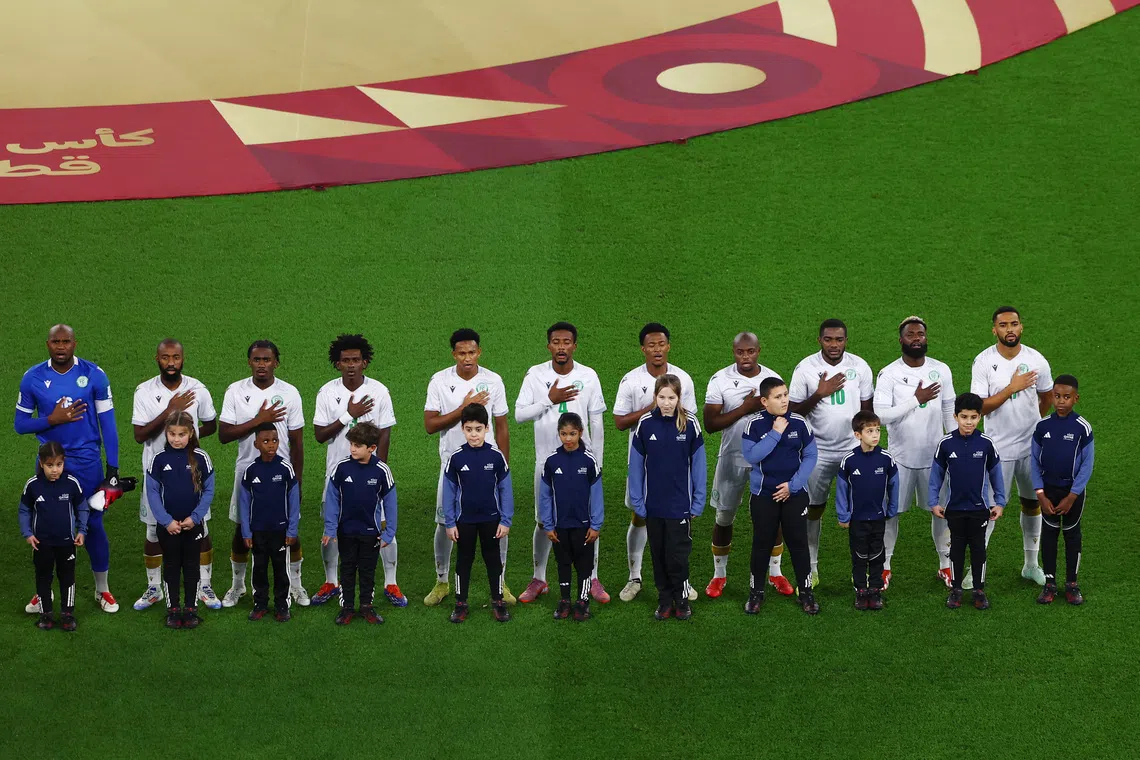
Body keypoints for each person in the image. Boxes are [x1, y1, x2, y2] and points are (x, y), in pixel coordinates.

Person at [15, 324, 128, 614]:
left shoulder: (94, 375)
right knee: (46, 524)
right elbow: (20, 424)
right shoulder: (32, 378)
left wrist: (112, 468)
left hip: (86, 461)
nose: (61, 346)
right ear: (48, 344)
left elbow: (108, 424)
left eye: (66, 341)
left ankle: (102, 590)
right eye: (56, 341)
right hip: (49, 462)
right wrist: (52, 420)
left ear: (75, 343)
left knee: (93, 524)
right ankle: (43, 592)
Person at [516, 322, 607, 604]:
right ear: (549, 346)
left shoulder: (588, 376)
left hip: (582, 464)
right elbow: (519, 415)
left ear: (574, 346)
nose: (561, 347)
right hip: (546, 464)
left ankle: (592, 578)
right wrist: (548, 399)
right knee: (543, 520)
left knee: (588, 519)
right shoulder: (535, 375)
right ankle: (539, 578)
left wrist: (597, 461)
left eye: (566, 342)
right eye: (556, 342)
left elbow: (596, 421)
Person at [423, 328, 511, 606]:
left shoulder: (493, 380)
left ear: (479, 352)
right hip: (452, 466)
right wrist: (465, 408)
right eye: (461, 353)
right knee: (443, 523)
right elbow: (430, 425)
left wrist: (504, 466)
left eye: (472, 352)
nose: (467, 358)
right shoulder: (439, 381)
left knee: (497, 522)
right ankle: (441, 581)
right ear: (454, 354)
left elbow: (501, 426)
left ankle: (501, 581)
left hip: (488, 466)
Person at [130, 338, 220, 611]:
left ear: (183, 358)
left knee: (201, 529)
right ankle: (154, 588)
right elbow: (139, 435)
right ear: (157, 359)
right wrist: (170, 410)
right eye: (165, 357)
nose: (171, 363)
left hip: (191, 472)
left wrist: (188, 439)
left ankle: (205, 585)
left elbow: (211, 424)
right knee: (153, 531)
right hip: (157, 475)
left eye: (176, 357)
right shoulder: (144, 391)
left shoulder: (198, 389)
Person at [703, 332, 794, 599]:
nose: (745, 357)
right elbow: (710, 424)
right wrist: (746, 408)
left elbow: (785, 416)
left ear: (758, 351)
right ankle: (719, 575)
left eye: (750, 351)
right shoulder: (720, 379)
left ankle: (775, 573)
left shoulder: (772, 379)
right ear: (733, 351)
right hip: (732, 458)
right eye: (740, 352)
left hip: (768, 461)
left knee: (773, 517)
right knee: (724, 517)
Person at [312, 334, 401, 607]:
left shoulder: (379, 391)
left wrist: (377, 469)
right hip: (337, 475)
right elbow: (320, 435)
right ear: (337, 363)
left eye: (356, 360)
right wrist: (348, 414)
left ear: (365, 362)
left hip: (371, 475)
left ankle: (391, 583)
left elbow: (384, 434)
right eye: (345, 360)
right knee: (332, 526)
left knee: (381, 524)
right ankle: (331, 581)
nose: (351, 365)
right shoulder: (327, 393)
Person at [219, 340, 307, 608]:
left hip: (282, 474)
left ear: (276, 363)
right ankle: (237, 586)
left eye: (267, 360)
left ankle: (296, 585)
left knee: (289, 529)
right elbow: (224, 435)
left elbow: (297, 442)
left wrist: (298, 481)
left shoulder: (290, 393)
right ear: (249, 362)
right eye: (256, 359)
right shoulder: (235, 391)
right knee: (241, 528)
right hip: (247, 471)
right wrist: (259, 419)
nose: (261, 365)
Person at [970, 306, 1053, 587]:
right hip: (998, 449)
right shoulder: (983, 361)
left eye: (1014, 324)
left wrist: (1034, 423)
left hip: (1031, 449)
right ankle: (976, 570)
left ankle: (1031, 565)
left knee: (1032, 504)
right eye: (1003, 325)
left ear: (1021, 327)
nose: (1010, 329)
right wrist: (1011, 388)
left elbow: (1047, 396)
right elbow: (979, 407)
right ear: (994, 329)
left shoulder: (1036, 359)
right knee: (990, 508)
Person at [613, 322, 694, 604]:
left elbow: (690, 421)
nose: (657, 349)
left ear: (668, 346)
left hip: (676, 466)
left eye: (661, 344)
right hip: (644, 464)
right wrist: (652, 409)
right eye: (651, 345)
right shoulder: (631, 380)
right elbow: (620, 422)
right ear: (643, 349)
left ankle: (682, 581)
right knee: (640, 516)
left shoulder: (683, 378)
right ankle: (634, 577)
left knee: (679, 520)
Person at [789, 319, 874, 588]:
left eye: (839, 339)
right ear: (820, 340)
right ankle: (811, 569)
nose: (834, 344)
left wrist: (867, 444)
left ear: (846, 340)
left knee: (862, 510)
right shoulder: (805, 368)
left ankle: (861, 571)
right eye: (828, 339)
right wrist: (819, 393)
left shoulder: (859, 367)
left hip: (853, 450)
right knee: (813, 508)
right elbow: (792, 413)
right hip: (818, 452)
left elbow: (867, 412)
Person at [872, 317, 956, 588]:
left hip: (935, 458)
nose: (917, 338)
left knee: (941, 511)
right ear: (901, 340)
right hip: (900, 459)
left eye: (920, 333)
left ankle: (946, 565)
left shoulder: (941, 370)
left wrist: (956, 444)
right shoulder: (888, 374)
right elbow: (880, 416)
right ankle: (884, 567)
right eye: (911, 334)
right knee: (890, 513)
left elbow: (948, 409)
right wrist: (915, 400)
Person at [627, 375, 706, 621]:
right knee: (658, 554)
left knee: (678, 556)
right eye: (662, 397)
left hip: (680, 505)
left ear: (679, 397)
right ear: (655, 397)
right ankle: (664, 600)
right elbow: (635, 466)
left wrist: (698, 501)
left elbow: (699, 465)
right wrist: (638, 501)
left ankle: (681, 599)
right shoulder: (645, 424)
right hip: (653, 505)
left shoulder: (690, 424)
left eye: (671, 397)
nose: (666, 403)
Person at [741, 377, 819, 615]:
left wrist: (792, 486)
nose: (784, 400)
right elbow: (751, 456)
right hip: (763, 495)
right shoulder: (753, 425)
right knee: (761, 544)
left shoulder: (799, 423)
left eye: (785, 395)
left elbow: (811, 456)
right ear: (765, 401)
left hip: (794, 495)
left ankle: (806, 593)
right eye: (778, 397)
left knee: (798, 544)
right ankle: (756, 593)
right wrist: (775, 433)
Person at [930, 393, 1005, 610]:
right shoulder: (945, 444)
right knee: (956, 550)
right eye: (964, 417)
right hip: (954, 509)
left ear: (979, 417)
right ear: (955, 417)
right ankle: (956, 590)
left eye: (973, 417)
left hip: (979, 509)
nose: (968, 422)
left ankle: (979, 590)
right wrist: (933, 501)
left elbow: (996, 474)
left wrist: (999, 502)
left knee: (979, 550)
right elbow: (936, 475)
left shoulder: (986, 444)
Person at [442, 404, 514, 624]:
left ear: (487, 428)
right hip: (464, 521)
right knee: (464, 560)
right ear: (463, 429)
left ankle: (498, 601)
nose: (474, 434)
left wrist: (506, 520)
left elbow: (505, 490)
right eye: (469, 429)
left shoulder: (496, 457)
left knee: (493, 560)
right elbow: (448, 492)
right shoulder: (456, 458)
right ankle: (460, 603)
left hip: (491, 520)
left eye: (478, 429)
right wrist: (450, 523)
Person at [322, 422, 398, 626]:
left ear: (372, 448)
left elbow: (390, 503)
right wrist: (330, 528)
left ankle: (366, 606)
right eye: (351, 444)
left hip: (370, 532)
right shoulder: (341, 468)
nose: (352, 449)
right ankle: (347, 607)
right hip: (346, 531)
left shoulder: (382, 470)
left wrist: (389, 532)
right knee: (347, 569)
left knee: (367, 571)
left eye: (357, 445)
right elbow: (332, 500)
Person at [145, 412, 215, 630]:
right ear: (166, 434)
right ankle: (173, 609)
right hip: (169, 528)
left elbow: (209, 490)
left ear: (191, 433)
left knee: (192, 566)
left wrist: (195, 518)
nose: (176, 439)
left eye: (181, 434)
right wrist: (166, 521)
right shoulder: (158, 460)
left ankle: (191, 608)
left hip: (192, 526)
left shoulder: (201, 458)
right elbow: (152, 493)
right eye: (172, 434)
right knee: (172, 566)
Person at [1031, 375, 1093, 605]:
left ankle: (1071, 584)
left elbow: (1087, 465)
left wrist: (1072, 496)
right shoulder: (1042, 426)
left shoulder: (1082, 428)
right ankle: (1049, 584)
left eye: (1067, 397)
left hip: (1071, 493)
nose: (1061, 401)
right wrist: (1040, 494)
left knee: (1072, 534)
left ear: (1076, 398)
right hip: (1048, 491)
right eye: (1057, 396)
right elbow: (1034, 460)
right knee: (1049, 535)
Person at [538, 413, 604, 622]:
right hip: (560, 526)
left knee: (584, 565)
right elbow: (545, 496)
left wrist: (596, 525)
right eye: (564, 434)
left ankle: (583, 601)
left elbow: (597, 495)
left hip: (584, 526)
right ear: (558, 434)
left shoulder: (589, 461)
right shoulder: (551, 462)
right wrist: (548, 525)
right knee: (563, 563)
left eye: (572, 434)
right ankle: (565, 600)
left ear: (580, 433)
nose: (568, 438)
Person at [19, 442, 87, 631]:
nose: (55, 470)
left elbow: (82, 507)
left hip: (66, 543)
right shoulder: (32, 485)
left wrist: (82, 531)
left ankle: (67, 614)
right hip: (42, 544)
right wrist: (27, 533)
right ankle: (46, 614)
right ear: (41, 463)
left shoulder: (71, 483)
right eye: (50, 465)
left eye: (59, 464)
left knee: (67, 578)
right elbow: (24, 510)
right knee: (43, 577)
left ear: (64, 463)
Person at [836, 411, 899, 611]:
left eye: (877, 430)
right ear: (858, 435)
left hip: (878, 517)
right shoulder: (849, 460)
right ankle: (861, 591)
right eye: (869, 431)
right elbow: (841, 490)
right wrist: (843, 515)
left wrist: (892, 509)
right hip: (857, 519)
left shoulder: (886, 459)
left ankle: (875, 590)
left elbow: (894, 485)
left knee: (877, 554)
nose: (875, 435)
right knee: (859, 555)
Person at [238, 424, 301, 622]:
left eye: (274, 440)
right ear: (256, 444)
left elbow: (293, 501)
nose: (271, 445)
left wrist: (292, 529)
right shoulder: (251, 471)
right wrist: (246, 532)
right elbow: (244, 503)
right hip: (258, 531)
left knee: (281, 570)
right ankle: (260, 603)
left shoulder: (285, 468)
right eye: (266, 441)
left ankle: (282, 605)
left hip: (280, 530)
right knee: (259, 568)